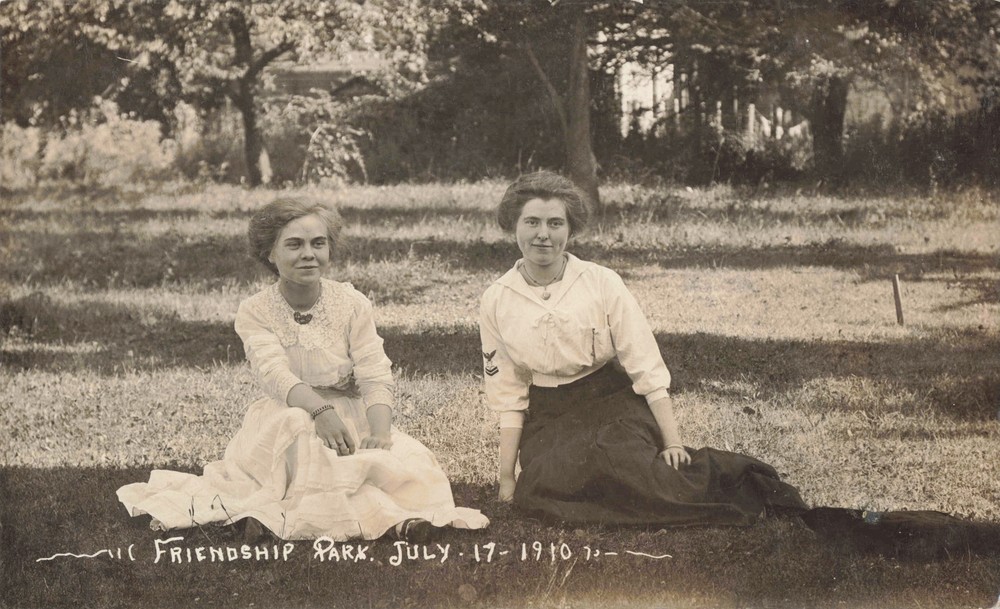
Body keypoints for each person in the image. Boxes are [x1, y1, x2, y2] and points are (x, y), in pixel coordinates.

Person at [119, 198, 488, 541]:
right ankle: (376, 521)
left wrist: (379, 433)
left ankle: (397, 517)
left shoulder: (351, 303)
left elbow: (374, 372)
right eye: (294, 245)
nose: (309, 254)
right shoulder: (256, 311)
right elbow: (274, 374)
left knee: (404, 460)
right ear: (270, 253)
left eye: (318, 243)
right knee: (312, 446)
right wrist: (321, 412)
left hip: (350, 415)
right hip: (286, 415)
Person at [479, 171, 807, 525]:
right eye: (532, 222)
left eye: (555, 223)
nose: (543, 234)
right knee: (540, 489)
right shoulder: (497, 299)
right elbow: (509, 394)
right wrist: (507, 478)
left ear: (570, 229)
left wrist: (673, 443)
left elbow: (646, 366)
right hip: (551, 416)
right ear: (514, 225)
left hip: (610, 402)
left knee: (621, 466)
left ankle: (743, 485)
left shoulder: (601, 282)